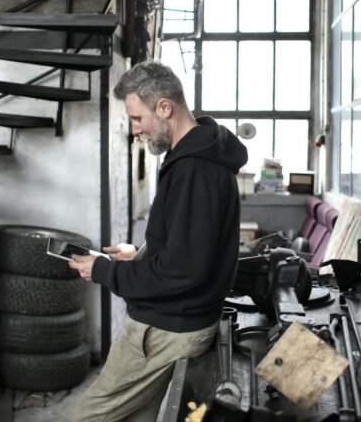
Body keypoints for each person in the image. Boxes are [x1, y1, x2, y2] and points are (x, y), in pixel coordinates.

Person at [68, 61, 248, 421]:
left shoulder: (194, 170)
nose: (135, 130)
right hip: (178, 321)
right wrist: (141, 254)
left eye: (138, 118)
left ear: (164, 107)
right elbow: (189, 245)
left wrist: (105, 271)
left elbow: (183, 270)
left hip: (166, 327)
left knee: (87, 417)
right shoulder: (200, 156)